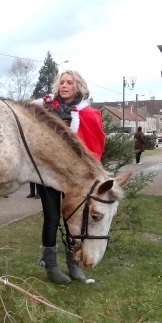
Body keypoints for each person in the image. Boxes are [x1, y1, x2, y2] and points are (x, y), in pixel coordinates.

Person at [33, 70, 105, 284]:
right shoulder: (44, 108)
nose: (64, 86)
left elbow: (94, 145)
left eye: (69, 82)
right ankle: (51, 266)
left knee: (74, 218)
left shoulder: (87, 113)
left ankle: (74, 264)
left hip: (74, 177)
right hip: (47, 173)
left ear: (78, 86)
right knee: (52, 217)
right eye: (61, 82)